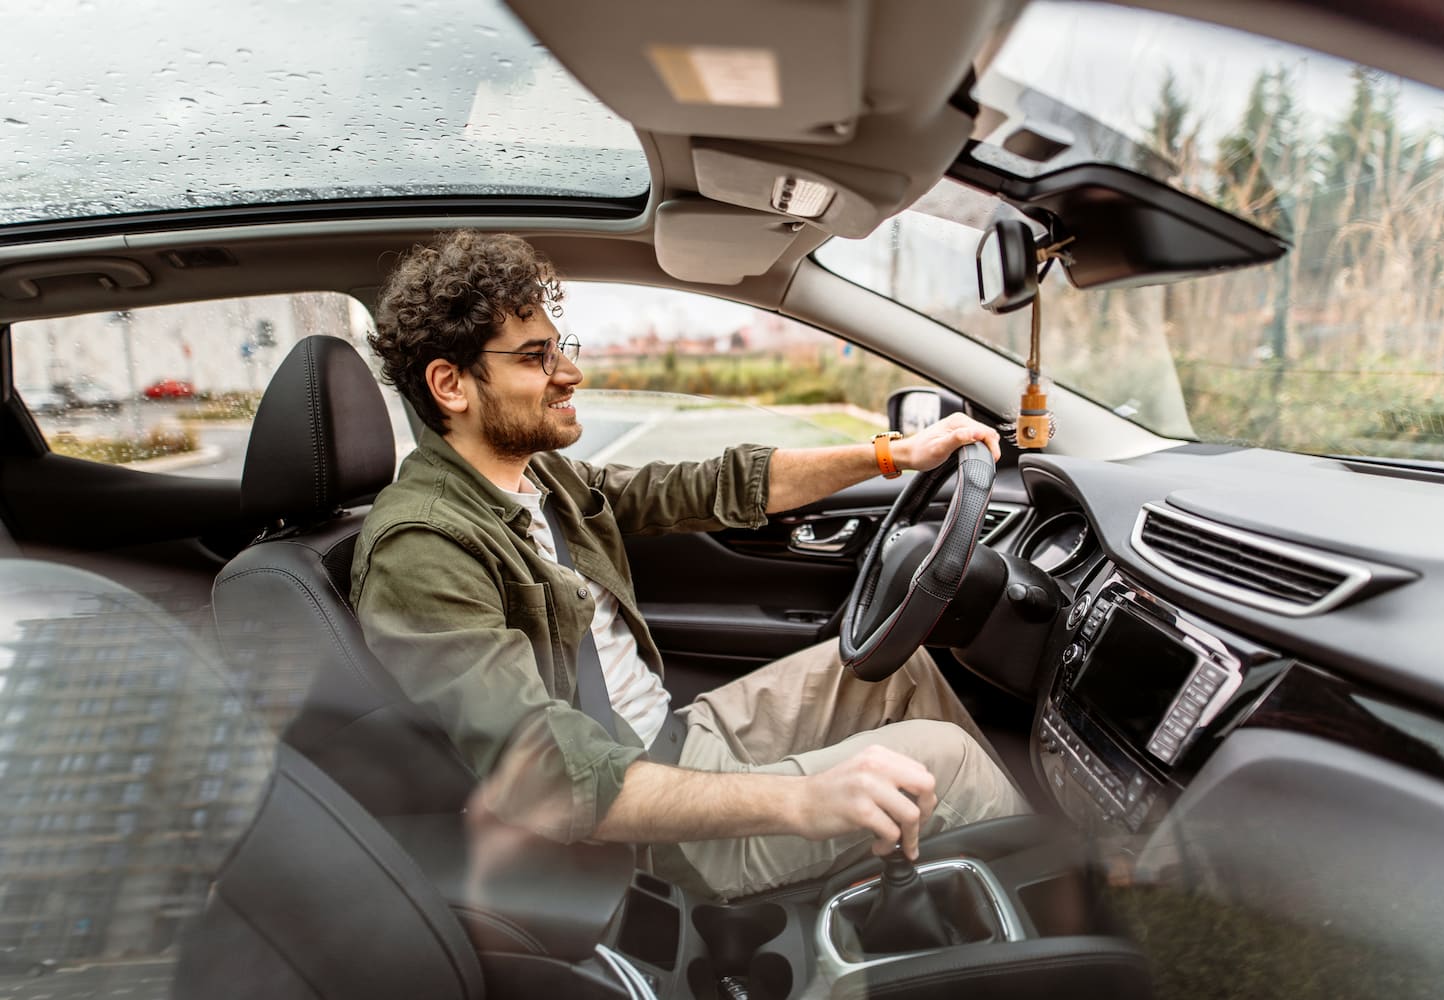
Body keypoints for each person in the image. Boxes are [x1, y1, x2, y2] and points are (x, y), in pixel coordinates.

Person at [351, 230, 1025, 900]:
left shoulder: (543, 479)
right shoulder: (422, 548)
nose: (570, 375)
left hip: (677, 732)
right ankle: (1051, 918)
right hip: (644, 828)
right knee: (949, 763)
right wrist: (801, 800)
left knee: (901, 666)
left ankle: (968, 876)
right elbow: (551, 779)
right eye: (535, 358)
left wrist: (891, 455)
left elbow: (705, 487)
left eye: (561, 350)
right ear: (451, 385)